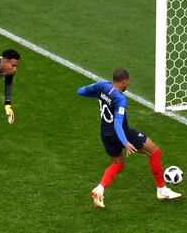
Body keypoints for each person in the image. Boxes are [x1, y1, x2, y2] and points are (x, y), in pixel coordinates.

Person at [77, 68, 181, 208]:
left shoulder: (102, 86)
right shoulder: (120, 99)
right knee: (155, 151)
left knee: (118, 164)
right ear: (124, 82)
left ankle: (99, 189)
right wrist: (126, 142)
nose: (128, 85)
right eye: (127, 82)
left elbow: (81, 91)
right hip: (122, 134)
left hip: (105, 134)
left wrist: (99, 95)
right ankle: (162, 190)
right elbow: (118, 125)